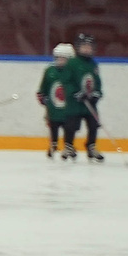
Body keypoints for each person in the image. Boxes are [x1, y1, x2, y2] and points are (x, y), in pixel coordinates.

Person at [38, 42, 84, 160]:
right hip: (53, 107)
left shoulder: (73, 72)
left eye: (63, 58)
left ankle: (69, 147)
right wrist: (41, 95)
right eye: (57, 58)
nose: (59, 61)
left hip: (69, 108)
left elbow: (78, 86)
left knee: (69, 128)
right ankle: (53, 144)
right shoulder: (50, 71)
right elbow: (44, 86)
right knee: (53, 125)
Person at [69, 31, 105, 162]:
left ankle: (91, 147)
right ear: (77, 47)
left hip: (90, 102)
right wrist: (75, 93)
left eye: (89, 46)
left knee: (94, 124)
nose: (86, 49)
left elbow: (97, 82)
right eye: (84, 46)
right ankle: (70, 146)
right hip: (76, 103)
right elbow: (68, 81)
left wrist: (97, 93)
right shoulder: (72, 63)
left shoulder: (93, 64)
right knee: (72, 126)